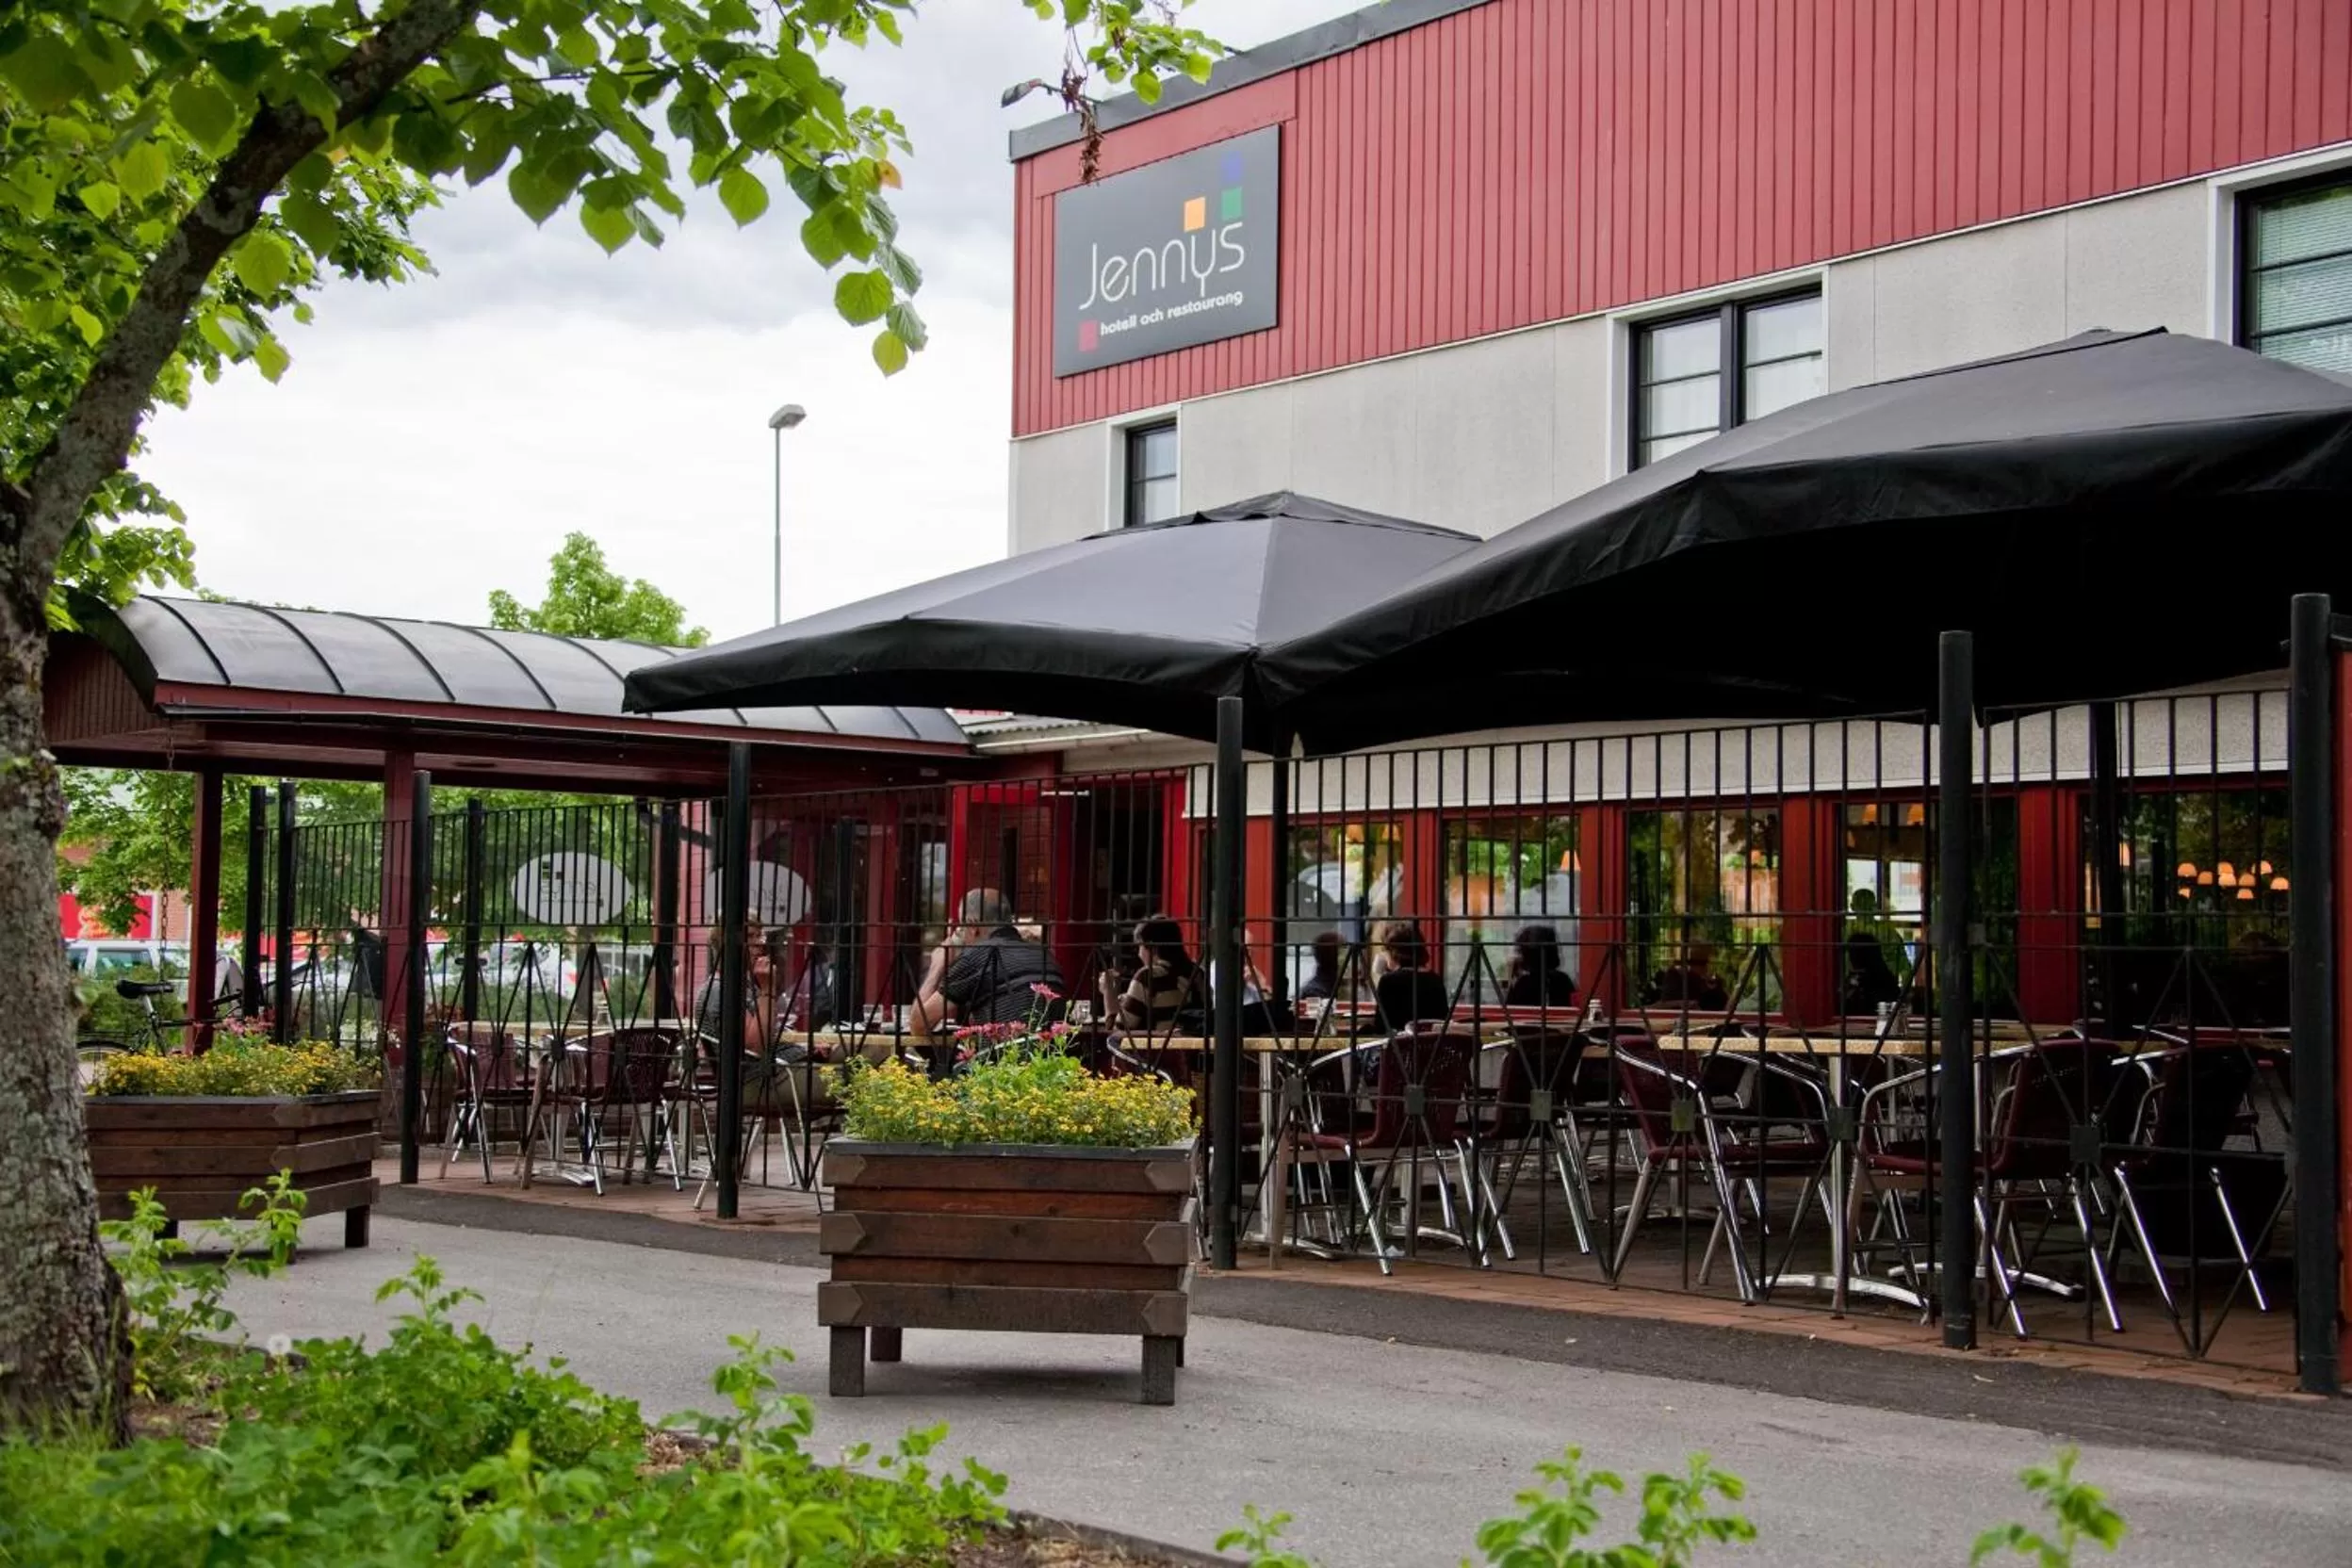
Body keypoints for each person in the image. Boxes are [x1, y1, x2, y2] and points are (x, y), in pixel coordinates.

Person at [913, 888, 1065, 1035]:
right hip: (1053, 1058)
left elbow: (919, 1024)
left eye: (961, 927)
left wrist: (938, 965)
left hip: (1001, 1058)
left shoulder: (975, 957)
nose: (962, 935)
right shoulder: (1045, 956)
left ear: (972, 926)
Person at [1102, 916, 1198, 1035]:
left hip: (1159, 1051)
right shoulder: (1198, 973)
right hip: (1194, 1050)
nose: (1139, 954)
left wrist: (1108, 991)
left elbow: (1118, 1033)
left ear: (1152, 947)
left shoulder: (1148, 976)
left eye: (1140, 946)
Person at [1372, 921, 1450, 1031]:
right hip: (1431, 1045)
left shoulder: (1389, 981)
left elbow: (1381, 1026)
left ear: (1393, 951)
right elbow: (1442, 1021)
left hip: (1399, 1046)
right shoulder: (1435, 979)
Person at [1840, 890, 1903, 1013]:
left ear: (1852, 907)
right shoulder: (1889, 932)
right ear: (1874, 907)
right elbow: (1904, 967)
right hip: (1886, 995)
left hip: (1854, 993)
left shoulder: (1844, 931)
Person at [1504, 924, 1577, 1009]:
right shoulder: (1563, 980)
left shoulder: (1523, 983)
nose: (1517, 955)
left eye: (1519, 950)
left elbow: (1507, 1011)